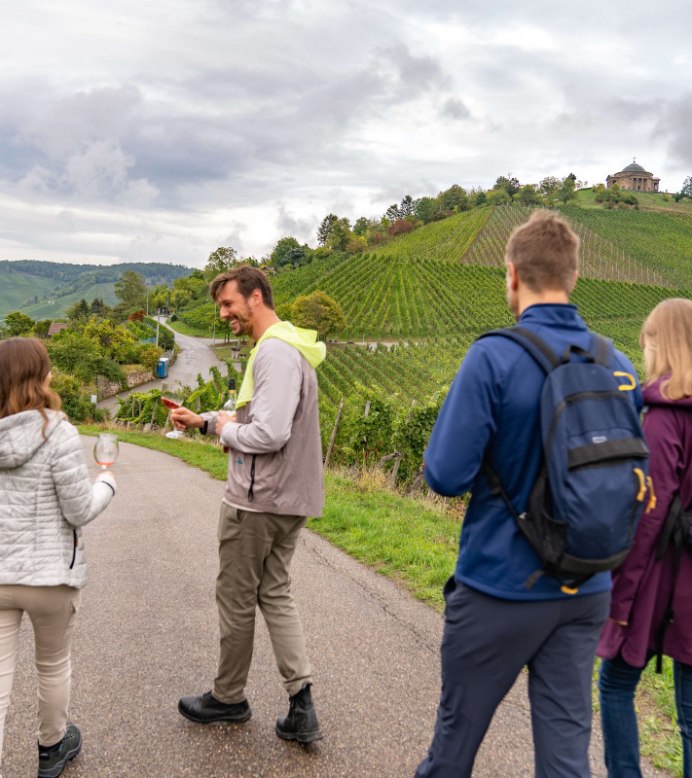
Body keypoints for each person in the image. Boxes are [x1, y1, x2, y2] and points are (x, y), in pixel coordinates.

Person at [415, 210, 644, 778]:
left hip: (499, 585)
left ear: (513, 275)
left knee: (455, 745)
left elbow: (444, 474)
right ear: (573, 275)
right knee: (567, 753)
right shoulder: (617, 364)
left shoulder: (493, 356)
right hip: (588, 587)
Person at [171, 265, 326, 744]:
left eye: (228, 304)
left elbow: (269, 433)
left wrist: (218, 429)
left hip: (258, 501)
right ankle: (301, 704)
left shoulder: (274, 354)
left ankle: (229, 697)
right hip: (288, 497)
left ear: (256, 297)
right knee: (274, 592)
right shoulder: (291, 346)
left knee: (236, 599)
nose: (224, 315)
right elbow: (261, 416)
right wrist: (207, 420)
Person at [0, 338, 116, 778]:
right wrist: (106, 483)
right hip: (50, 577)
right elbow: (79, 510)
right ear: (40, 377)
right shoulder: (59, 432)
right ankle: (52, 747)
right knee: (52, 665)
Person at [597, 298, 692, 778]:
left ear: (667, 343)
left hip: (660, 577)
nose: (645, 355)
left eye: (649, 343)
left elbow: (648, 512)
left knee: (615, 682)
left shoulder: (662, 415)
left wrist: (621, 593)